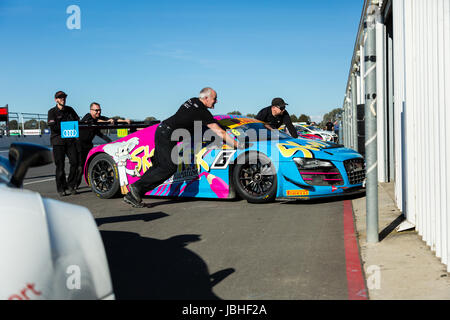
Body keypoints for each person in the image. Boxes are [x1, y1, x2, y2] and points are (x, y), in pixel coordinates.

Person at [124, 87, 241, 208]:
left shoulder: (193, 101)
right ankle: (136, 188)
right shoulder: (201, 111)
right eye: (214, 98)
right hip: (167, 134)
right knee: (169, 167)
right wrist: (238, 146)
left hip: (162, 130)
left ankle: (132, 195)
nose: (216, 101)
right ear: (206, 98)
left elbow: (205, 123)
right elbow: (219, 132)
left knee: (158, 166)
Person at [75, 102, 131, 188]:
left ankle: (95, 182)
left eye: (100, 110)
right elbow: (96, 121)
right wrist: (106, 121)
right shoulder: (88, 116)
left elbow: (112, 120)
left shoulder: (99, 117)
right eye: (96, 110)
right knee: (79, 167)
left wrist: (125, 121)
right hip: (78, 145)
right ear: (91, 110)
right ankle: (74, 185)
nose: (98, 112)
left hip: (88, 144)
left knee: (91, 165)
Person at [47, 91, 79, 197]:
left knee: (75, 163)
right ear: (56, 99)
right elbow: (53, 127)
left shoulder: (70, 110)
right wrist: (67, 126)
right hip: (58, 142)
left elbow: (77, 121)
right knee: (60, 167)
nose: (63, 99)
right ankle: (61, 188)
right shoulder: (52, 112)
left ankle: (71, 185)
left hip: (70, 141)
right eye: (60, 98)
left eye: (64, 97)